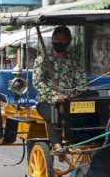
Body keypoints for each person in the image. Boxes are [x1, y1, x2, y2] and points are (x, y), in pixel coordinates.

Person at [32, 26, 86, 160]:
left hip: (71, 100)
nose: (60, 42)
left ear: (69, 41)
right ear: (52, 40)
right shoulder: (42, 59)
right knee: (54, 115)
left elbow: (81, 81)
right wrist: (55, 96)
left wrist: (74, 94)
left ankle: (84, 142)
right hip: (46, 100)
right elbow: (38, 82)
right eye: (57, 39)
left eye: (63, 39)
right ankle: (58, 147)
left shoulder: (74, 62)